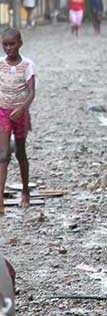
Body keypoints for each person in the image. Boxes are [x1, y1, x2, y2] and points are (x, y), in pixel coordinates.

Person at [0, 28, 36, 216]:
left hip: (20, 114)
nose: (8, 48)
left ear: (20, 43)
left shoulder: (27, 65)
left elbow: (31, 92)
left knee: (20, 153)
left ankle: (25, 191)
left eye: (12, 44)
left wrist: (21, 108)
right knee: (3, 154)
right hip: (3, 112)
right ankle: (0, 203)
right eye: (5, 44)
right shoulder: (0, 65)